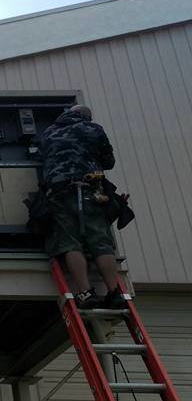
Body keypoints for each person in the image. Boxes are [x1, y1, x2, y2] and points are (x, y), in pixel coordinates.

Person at [39, 105, 126, 309]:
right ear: (86, 117)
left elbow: (41, 158)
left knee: (70, 243)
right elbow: (108, 162)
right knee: (100, 241)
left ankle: (85, 293)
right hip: (89, 190)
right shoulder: (92, 129)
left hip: (58, 193)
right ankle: (114, 292)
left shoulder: (48, 133)